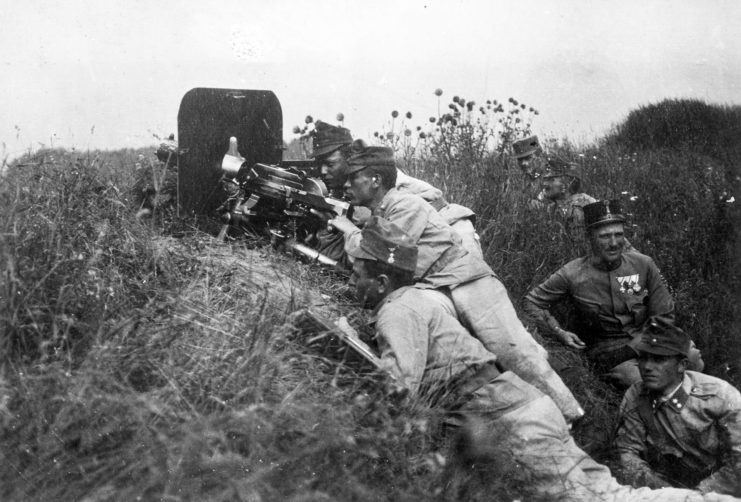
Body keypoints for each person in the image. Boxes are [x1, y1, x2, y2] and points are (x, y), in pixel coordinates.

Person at [345, 218, 736, 501]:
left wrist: (345, 360)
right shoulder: (416, 302)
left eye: (355, 274)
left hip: (512, 424)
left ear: (381, 282)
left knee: (604, 498)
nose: (350, 283)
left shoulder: (398, 308)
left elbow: (397, 389)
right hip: (515, 413)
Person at [329, 145, 584, 423]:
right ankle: (536, 418)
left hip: (466, 279)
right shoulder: (381, 210)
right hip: (435, 286)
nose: (347, 185)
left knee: (514, 351)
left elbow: (378, 254)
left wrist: (350, 230)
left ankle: (570, 413)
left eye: (353, 178)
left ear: (376, 180)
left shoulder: (404, 204)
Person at [522, 199, 704, 388]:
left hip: (650, 338)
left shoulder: (643, 264)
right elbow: (532, 302)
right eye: (605, 236)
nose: (614, 243)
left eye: (619, 235)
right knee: (642, 382)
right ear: (589, 237)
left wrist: (634, 347)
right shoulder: (572, 273)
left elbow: (664, 316)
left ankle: (696, 407)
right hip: (610, 352)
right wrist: (559, 332)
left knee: (693, 359)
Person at [311, 121, 483, 259]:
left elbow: (377, 249)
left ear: (349, 159)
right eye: (320, 165)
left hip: (456, 236)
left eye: (330, 164)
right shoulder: (362, 184)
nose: (323, 171)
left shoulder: (392, 189)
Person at [614, 317, 741, 496]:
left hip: (721, 489)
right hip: (667, 489)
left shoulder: (720, 397)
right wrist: (665, 493)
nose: (647, 367)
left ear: (681, 365)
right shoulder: (636, 395)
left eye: (658, 359)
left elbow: (739, 463)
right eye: (643, 358)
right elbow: (627, 452)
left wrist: (697, 496)